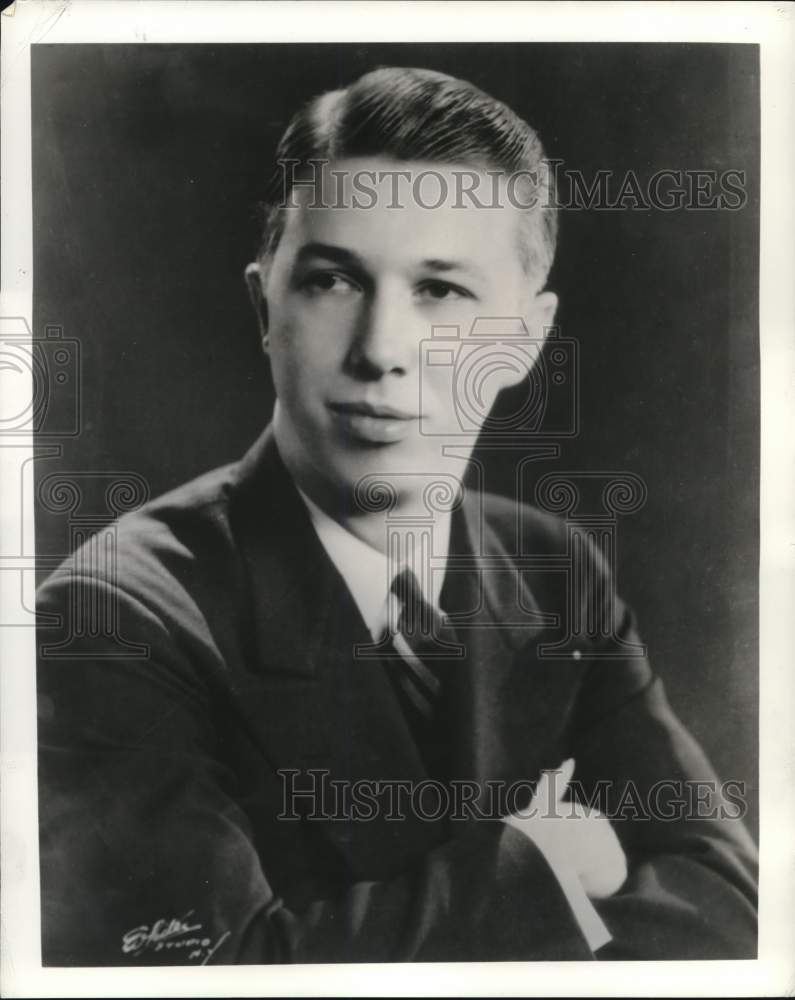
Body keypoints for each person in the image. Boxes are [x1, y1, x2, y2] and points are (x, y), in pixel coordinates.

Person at [36, 66, 757, 966]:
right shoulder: (112, 617)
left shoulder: (552, 567)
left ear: (525, 341)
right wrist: (546, 867)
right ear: (265, 306)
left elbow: (729, 910)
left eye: (441, 291)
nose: (381, 351)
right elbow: (199, 976)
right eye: (333, 280)